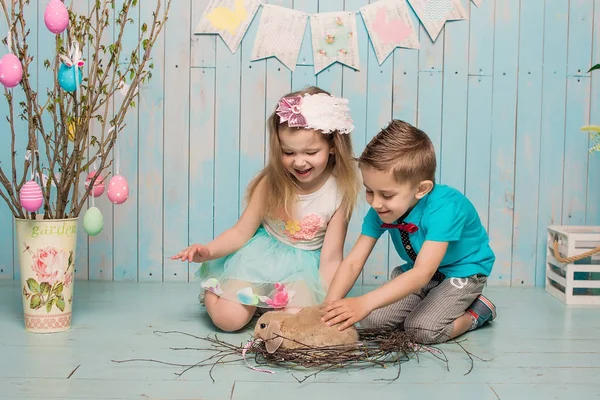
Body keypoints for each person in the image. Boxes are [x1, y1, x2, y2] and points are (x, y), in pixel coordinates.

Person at [172, 86, 359, 332]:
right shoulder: (271, 183)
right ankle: (214, 289)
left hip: (305, 269)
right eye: (288, 152)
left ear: (333, 146)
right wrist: (208, 251)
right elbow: (241, 232)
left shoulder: (339, 192)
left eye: (311, 152)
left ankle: (268, 304)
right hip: (261, 258)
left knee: (292, 325)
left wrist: (324, 301)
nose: (299, 161)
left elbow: (332, 256)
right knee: (229, 320)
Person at [321, 120, 497, 344]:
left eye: (386, 194)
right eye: (369, 191)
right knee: (371, 322)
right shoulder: (381, 209)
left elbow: (422, 273)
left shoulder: (445, 208)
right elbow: (354, 262)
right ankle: (431, 300)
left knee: (421, 330)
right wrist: (328, 308)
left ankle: (476, 313)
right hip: (420, 273)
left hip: (461, 274)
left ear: (422, 189)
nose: (375, 203)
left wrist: (364, 302)